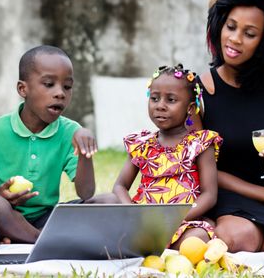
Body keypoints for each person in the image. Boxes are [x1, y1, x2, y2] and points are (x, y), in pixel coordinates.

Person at [196, 0, 264, 252]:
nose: (235, 39)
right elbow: (204, 171)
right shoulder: (198, 90)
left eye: (249, 34)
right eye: (230, 27)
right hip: (228, 205)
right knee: (240, 236)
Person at [0, 45, 97, 244]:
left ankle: (23, 236)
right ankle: (43, 241)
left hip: (44, 217)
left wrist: (85, 153)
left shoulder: (70, 131)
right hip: (0, 214)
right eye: (49, 84)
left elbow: (86, 193)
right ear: (23, 89)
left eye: (67, 86)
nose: (60, 93)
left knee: (107, 201)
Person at [87, 64, 222, 248]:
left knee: (198, 238)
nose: (160, 106)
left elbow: (209, 195)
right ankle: (138, 240)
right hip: (141, 219)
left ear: (190, 108)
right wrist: (131, 211)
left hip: (182, 221)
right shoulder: (143, 144)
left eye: (171, 100)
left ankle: (145, 244)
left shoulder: (199, 144)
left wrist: (177, 219)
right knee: (105, 201)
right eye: (155, 98)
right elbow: (120, 186)